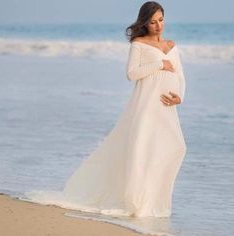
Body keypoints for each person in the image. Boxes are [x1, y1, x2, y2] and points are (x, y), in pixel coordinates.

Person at [23, 1, 187, 218]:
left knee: (174, 149)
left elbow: (180, 76)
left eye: (161, 20)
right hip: (146, 106)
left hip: (167, 107)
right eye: (152, 21)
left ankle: (154, 201)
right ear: (145, 23)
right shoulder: (139, 43)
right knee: (141, 151)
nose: (158, 26)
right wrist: (159, 65)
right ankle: (138, 203)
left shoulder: (172, 45)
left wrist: (180, 98)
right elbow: (132, 73)